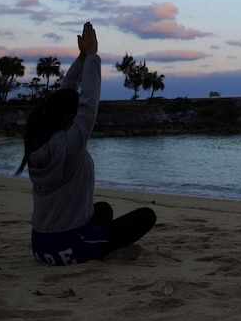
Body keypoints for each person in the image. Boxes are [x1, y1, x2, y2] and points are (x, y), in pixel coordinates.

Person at [16, 21, 156, 265]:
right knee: (146, 216)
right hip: (70, 247)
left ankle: (99, 244)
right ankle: (104, 253)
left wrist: (81, 58)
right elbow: (89, 103)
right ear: (70, 117)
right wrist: (92, 58)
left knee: (102, 210)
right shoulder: (71, 145)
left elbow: (63, 97)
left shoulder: (40, 142)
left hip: (40, 244)